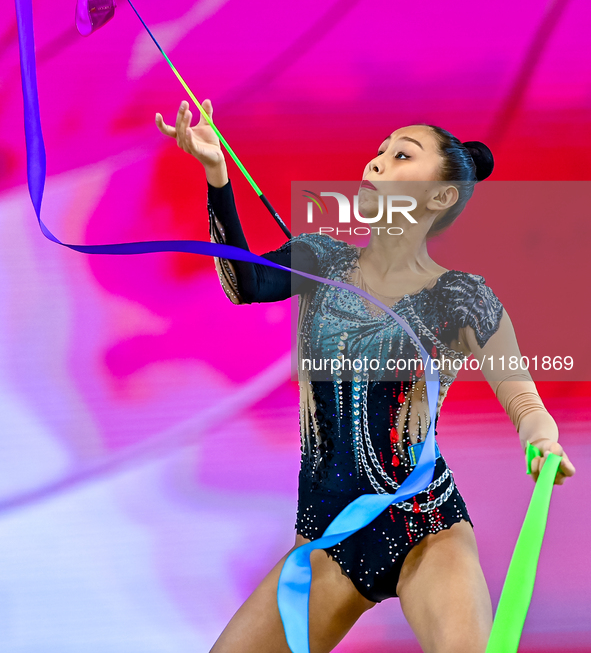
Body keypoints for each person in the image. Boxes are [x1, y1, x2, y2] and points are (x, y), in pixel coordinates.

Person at [155, 100, 576, 653]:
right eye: (378, 152)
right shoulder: (321, 259)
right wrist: (216, 174)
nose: (376, 162)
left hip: (426, 529)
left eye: (402, 155)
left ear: (441, 197)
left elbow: (522, 396)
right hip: (328, 542)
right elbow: (243, 283)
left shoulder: (462, 298)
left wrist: (542, 440)